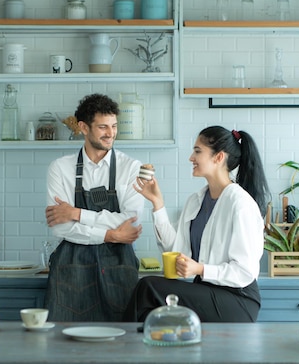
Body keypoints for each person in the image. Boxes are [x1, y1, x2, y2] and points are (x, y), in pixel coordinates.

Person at [124, 126, 270, 323]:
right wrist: (157, 204)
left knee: (148, 288)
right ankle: (137, 347)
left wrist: (201, 269)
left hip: (239, 299)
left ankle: (123, 347)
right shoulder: (197, 200)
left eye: (198, 151)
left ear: (219, 157)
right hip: (207, 290)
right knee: (148, 297)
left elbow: (244, 272)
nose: (191, 158)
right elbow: (176, 251)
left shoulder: (241, 204)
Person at [44, 93, 144, 322]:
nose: (111, 133)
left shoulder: (130, 167)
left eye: (114, 126)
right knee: (65, 344)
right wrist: (110, 234)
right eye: (103, 127)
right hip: (71, 269)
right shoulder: (60, 168)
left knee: (121, 343)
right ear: (83, 127)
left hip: (119, 267)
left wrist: (76, 213)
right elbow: (60, 228)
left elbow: (131, 221)